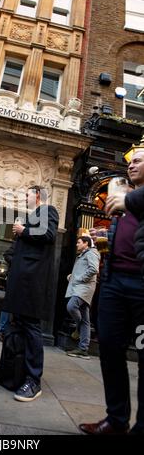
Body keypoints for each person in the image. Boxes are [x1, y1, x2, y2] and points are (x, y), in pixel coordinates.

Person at [79, 148, 144, 435]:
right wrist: (105, 239)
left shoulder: (133, 199)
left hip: (142, 286)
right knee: (109, 349)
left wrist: (129, 201)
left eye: (139, 160)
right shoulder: (125, 198)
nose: (132, 165)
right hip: (114, 282)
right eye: (130, 162)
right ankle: (116, 420)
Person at [2, 186, 59, 402]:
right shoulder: (31, 216)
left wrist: (23, 230)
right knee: (19, 326)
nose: (24, 198)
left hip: (32, 281)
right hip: (22, 280)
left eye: (27, 194)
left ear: (37, 196)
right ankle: (14, 374)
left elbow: (49, 234)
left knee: (32, 327)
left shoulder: (49, 210)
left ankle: (34, 380)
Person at [65, 236, 100, 360]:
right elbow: (83, 269)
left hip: (84, 288)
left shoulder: (91, 253)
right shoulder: (84, 254)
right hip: (81, 288)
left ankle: (78, 328)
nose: (76, 245)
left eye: (79, 242)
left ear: (86, 243)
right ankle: (83, 349)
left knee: (71, 306)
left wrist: (80, 279)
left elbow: (93, 269)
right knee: (85, 319)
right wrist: (72, 276)